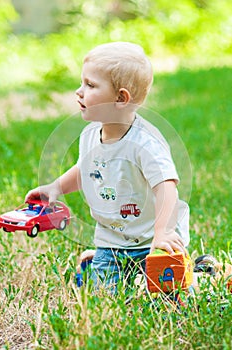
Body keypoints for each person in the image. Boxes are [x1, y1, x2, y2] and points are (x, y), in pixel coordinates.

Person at [25, 42, 190, 294]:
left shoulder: (145, 143)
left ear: (120, 98)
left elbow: (166, 188)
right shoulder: (90, 135)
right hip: (111, 242)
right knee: (105, 297)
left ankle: (202, 270)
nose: (79, 92)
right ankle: (95, 261)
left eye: (90, 85)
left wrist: (163, 232)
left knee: (167, 296)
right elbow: (86, 169)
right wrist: (55, 187)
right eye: (82, 83)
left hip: (153, 242)